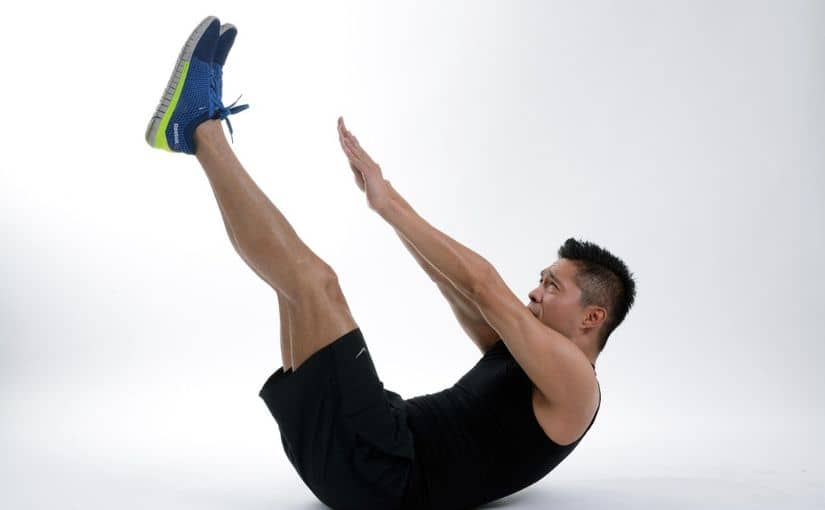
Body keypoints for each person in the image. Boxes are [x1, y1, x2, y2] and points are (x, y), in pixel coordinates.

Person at [145, 16, 637, 510]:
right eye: (540, 280)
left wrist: (390, 202)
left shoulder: (577, 386)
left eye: (552, 286)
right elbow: (462, 291)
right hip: (366, 458)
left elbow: (484, 284)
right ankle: (197, 132)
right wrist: (387, 213)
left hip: (383, 470)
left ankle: (199, 128)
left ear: (593, 317)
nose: (534, 292)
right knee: (293, 284)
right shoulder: (531, 358)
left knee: (318, 283)